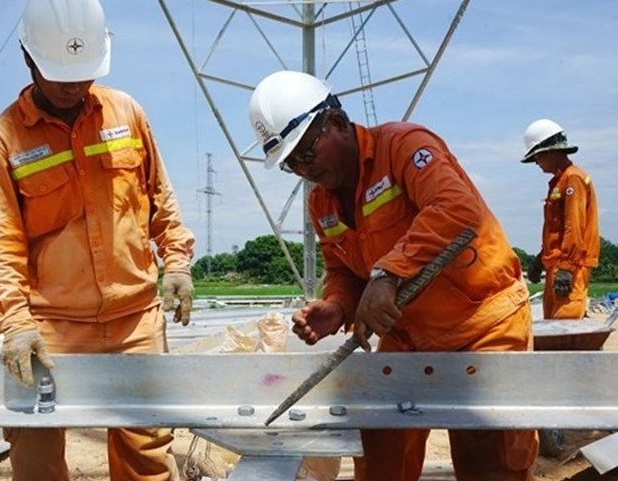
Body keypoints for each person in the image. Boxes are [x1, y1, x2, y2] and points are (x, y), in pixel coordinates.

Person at [248, 70, 538, 481]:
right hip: (407, 334)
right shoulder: (321, 203)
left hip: (481, 324)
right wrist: (338, 305)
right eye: (290, 164)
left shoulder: (404, 146)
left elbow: (456, 208)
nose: (302, 169)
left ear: (336, 122)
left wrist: (387, 274)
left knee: (488, 457)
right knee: (380, 446)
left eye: (306, 152)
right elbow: (342, 269)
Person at [0, 0, 195, 480]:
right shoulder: (3, 140)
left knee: (147, 453)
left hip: (135, 319)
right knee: (35, 454)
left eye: (84, 73)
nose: (73, 86)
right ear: (28, 57)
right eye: (60, 75)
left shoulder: (126, 114)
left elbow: (160, 197)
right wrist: (15, 323)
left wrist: (177, 261)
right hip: (50, 325)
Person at [521, 118, 599, 320]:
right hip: (557, 266)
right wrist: (541, 259)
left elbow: (574, 227)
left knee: (566, 326)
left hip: (570, 268)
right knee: (552, 324)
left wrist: (567, 268)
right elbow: (557, 229)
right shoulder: (559, 182)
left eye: (537, 156)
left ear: (552, 151)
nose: (536, 162)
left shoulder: (573, 179)